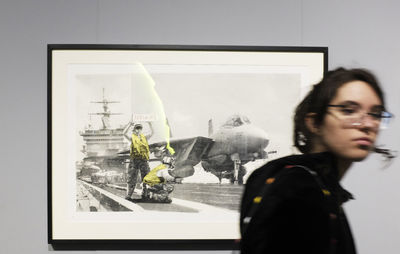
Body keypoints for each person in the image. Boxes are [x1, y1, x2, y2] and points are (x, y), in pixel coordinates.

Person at [240, 68, 395, 254]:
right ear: (314, 123)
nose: (368, 124)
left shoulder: (319, 186)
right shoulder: (295, 186)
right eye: (348, 110)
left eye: (376, 114)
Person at [124, 122, 153, 200]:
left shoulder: (145, 137)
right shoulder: (132, 138)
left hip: (144, 160)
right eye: (137, 128)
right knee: (132, 178)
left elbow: (152, 133)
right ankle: (128, 195)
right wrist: (129, 125)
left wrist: (150, 124)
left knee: (146, 178)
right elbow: (124, 134)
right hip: (134, 160)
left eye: (140, 128)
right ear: (134, 130)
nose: (139, 129)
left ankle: (145, 194)